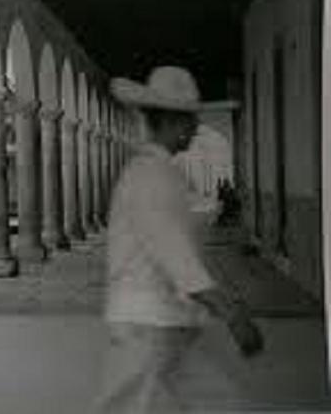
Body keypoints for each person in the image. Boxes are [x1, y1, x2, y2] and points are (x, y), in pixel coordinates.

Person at [95, 66, 264, 413]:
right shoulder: (151, 176)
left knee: (218, 404)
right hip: (148, 326)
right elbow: (177, 256)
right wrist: (232, 314)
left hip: (167, 323)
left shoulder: (159, 171)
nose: (195, 127)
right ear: (169, 121)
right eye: (189, 119)